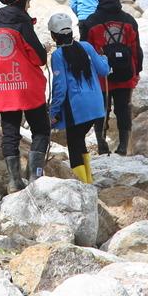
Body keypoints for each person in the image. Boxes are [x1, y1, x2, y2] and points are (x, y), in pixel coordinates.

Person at [0, 0, 49, 193]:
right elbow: (39, 58)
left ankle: (14, 181)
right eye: (27, 2)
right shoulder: (22, 23)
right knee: (40, 129)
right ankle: (35, 176)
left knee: (9, 133)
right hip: (27, 86)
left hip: (3, 86)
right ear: (20, 0)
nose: (29, 6)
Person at [81, 0, 143, 156]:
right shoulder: (129, 21)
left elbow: (85, 51)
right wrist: (137, 72)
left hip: (101, 79)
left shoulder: (90, 22)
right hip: (126, 75)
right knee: (123, 108)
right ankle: (123, 146)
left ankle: (102, 144)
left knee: (101, 110)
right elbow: (136, 50)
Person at [47, 13, 108, 184]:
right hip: (97, 107)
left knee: (74, 143)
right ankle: (88, 179)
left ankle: (83, 183)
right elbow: (103, 70)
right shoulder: (87, 46)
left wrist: (53, 111)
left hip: (77, 109)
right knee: (79, 139)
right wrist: (104, 57)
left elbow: (61, 87)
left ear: (53, 35)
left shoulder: (58, 55)